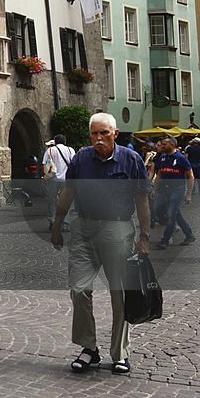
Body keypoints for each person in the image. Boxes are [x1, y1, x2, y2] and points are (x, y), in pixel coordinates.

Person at [50, 112, 150, 375]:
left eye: (104, 133)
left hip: (117, 228)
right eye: (94, 133)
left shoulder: (131, 159)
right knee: (79, 289)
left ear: (115, 134)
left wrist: (144, 237)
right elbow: (68, 192)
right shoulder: (81, 159)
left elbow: (142, 199)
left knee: (120, 293)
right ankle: (89, 348)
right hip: (83, 228)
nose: (98, 138)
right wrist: (57, 225)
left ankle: (120, 353)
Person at [152, 136, 195, 249]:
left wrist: (189, 194)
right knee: (162, 210)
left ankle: (165, 240)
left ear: (172, 145)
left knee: (171, 214)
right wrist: (154, 189)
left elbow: (190, 176)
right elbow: (159, 175)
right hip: (164, 189)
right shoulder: (163, 157)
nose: (162, 146)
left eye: (164, 144)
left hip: (177, 189)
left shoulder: (181, 158)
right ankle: (189, 235)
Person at [43, 135, 75, 228]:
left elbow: (45, 164)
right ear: (65, 141)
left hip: (53, 179)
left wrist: (45, 177)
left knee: (51, 200)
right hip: (66, 179)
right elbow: (74, 164)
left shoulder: (50, 150)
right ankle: (65, 223)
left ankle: (52, 221)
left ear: (55, 142)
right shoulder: (70, 150)